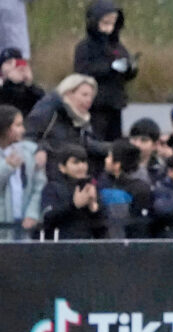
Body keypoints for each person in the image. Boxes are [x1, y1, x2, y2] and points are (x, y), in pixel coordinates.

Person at [73, 0, 137, 141]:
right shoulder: (85, 47)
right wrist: (110, 68)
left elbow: (125, 70)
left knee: (115, 142)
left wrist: (130, 68)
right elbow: (82, 71)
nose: (109, 28)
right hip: (95, 105)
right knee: (96, 141)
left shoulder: (117, 46)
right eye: (105, 23)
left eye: (113, 23)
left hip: (115, 103)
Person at [26, 74, 108, 168]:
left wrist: (115, 149)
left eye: (91, 97)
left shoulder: (82, 121)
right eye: (84, 95)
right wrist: (40, 149)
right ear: (68, 93)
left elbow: (86, 144)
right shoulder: (48, 110)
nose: (89, 100)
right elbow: (28, 136)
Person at [0, 104, 44, 240]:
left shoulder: (30, 151)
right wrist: (7, 167)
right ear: (5, 128)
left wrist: (32, 213)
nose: (23, 130)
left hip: (23, 224)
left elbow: (39, 185)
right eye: (18, 125)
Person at [97, 139, 153, 239]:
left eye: (109, 157)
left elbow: (140, 225)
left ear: (117, 164)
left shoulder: (140, 189)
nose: (106, 160)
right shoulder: (103, 182)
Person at [42, 145, 99, 240]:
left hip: (87, 245)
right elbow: (47, 216)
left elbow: (100, 223)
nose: (81, 166)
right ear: (62, 167)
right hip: (61, 245)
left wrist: (93, 207)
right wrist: (74, 205)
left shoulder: (90, 187)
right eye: (75, 162)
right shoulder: (52, 187)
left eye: (84, 162)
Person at [0, 47, 45, 115]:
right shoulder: (3, 92)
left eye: (18, 63)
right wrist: (11, 83)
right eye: (8, 63)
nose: (13, 67)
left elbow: (42, 103)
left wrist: (27, 83)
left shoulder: (32, 92)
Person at [128, 118, 166, 183]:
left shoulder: (161, 170)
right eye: (134, 139)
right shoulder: (120, 165)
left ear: (155, 145)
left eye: (144, 140)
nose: (137, 144)